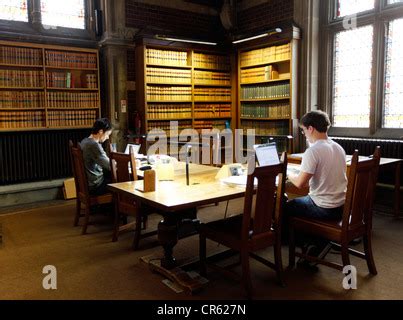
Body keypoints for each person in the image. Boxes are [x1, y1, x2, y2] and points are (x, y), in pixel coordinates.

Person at [284, 110, 347, 266]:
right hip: (341, 206)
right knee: (299, 202)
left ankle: (309, 244)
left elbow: (300, 184)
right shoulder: (338, 147)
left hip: (324, 208)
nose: (304, 134)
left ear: (310, 128)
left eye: (304, 130)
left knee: (286, 207)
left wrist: (286, 172)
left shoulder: (313, 151)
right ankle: (317, 240)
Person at [80, 118, 113, 196]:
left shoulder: (84, 141)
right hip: (96, 185)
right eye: (107, 134)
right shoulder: (94, 145)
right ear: (101, 131)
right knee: (122, 183)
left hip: (88, 183)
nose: (108, 137)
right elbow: (110, 165)